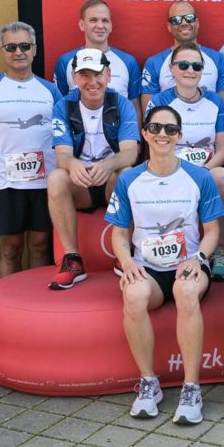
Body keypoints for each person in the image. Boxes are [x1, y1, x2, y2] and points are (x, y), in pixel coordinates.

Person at [105, 105, 224, 424]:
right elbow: (119, 234)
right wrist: (127, 262)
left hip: (188, 265)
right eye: (156, 128)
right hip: (149, 269)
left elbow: (213, 230)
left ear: (180, 136)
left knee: (186, 291)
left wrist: (199, 258)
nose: (162, 135)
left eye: (170, 130)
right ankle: (149, 384)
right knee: (133, 295)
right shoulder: (129, 178)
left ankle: (191, 388)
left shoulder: (199, 176)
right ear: (144, 133)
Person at [47, 48, 139, 290]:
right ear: (75, 78)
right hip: (82, 185)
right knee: (57, 177)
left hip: (112, 184)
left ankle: (125, 253)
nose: (92, 82)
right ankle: (72, 258)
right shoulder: (63, 106)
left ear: (108, 75)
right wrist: (72, 163)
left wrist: (108, 165)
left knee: (128, 173)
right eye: (84, 75)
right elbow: (62, 155)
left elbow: (131, 152)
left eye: (97, 74)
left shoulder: (122, 104)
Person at [145, 42, 224, 280]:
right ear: (172, 69)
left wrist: (203, 171)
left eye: (196, 66)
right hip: (169, 169)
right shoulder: (160, 101)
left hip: (206, 169)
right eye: (183, 65)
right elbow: (154, 146)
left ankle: (220, 250)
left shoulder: (215, 101)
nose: (190, 70)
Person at [0, 21, 62, 277]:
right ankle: (5, 312)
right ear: (2, 51)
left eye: (24, 46)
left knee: (41, 247)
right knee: (11, 249)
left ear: (34, 50)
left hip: (44, 183)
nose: (18, 52)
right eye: (11, 47)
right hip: (5, 184)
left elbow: (64, 136)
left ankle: (35, 308)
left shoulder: (51, 90)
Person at [53, 0, 142, 124]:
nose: (100, 25)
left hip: (119, 141)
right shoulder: (65, 61)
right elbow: (60, 106)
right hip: (78, 139)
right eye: (93, 20)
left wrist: (136, 142)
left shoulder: (128, 62)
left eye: (105, 20)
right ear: (82, 24)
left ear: (111, 26)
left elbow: (135, 108)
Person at [140, 0, 224, 117]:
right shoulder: (154, 63)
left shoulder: (219, 59)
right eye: (176, 20)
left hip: (207, 131)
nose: (184, 23)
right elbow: (149, 113)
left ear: (197, 23)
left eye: (189, 17)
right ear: (169, 27)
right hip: (169, 132)